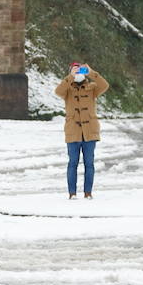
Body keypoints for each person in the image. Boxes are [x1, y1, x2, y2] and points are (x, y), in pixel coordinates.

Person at [54, 62, 110, 199]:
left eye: (80, 71)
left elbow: (105, 85)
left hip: (90, 131)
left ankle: (88, 192)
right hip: (73, 131)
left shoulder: (92, 88)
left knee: (89, 163)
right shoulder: (67, 89)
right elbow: (58, 91)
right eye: (75, 71)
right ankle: (72, 193)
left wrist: (91, 72)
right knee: (72, 163)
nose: (78, 73)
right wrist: (70, 77)